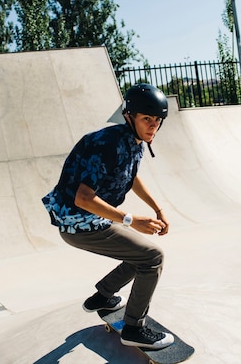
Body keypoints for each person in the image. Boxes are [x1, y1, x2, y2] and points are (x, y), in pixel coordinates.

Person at [42, 83, 174, 350]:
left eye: (157, 120)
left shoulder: (134, 141)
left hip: (93, 220)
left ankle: (102, 296)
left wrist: (157, 208)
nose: (153, 126)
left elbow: (131, 176)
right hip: (81, 224)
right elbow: (84, 198)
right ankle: (134, 329)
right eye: (146, 119)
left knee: (140, 254)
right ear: (129, 116)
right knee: (152, 258)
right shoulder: (107, 143)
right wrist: (131, 220)